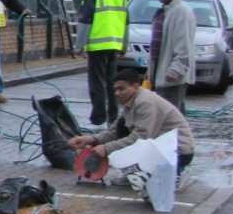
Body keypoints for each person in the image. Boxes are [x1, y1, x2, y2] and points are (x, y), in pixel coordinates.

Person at [67, 65, 196, 175]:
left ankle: (163, 173)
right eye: (115, 89)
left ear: (135, 86)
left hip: (179, 153)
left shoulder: (145, 102)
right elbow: (114, 132)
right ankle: (139, 173)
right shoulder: (132, 101)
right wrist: (89, 139)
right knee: (122, 125)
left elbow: (141, 138)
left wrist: (106, 148)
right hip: (163, 149)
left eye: (121, 89)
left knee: (129, 137)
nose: (117, 93)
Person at [78, 0, 128, 126]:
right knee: (111, 81)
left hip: (98, 44)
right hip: (115, 43)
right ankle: (113, 117)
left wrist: (78, 46)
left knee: (96, 82)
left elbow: (86, 20)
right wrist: (124, 45)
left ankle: (98, 116)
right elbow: (126, 20)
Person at [148, 0, 195, 113]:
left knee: (169, 117)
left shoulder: (182, 12)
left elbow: (184, 45)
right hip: (160, 74)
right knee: (170, 116)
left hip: (171, 78)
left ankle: (176, 136)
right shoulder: (163, 11)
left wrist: (176, 69)